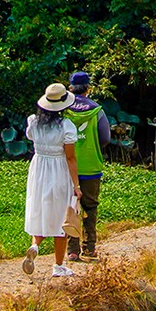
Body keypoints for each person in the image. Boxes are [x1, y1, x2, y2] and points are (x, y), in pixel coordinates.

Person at [22, 82, 82, 277]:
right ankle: (58, 266)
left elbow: (32, 139)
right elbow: (70, 158)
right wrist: (76, 185)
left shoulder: (33, 122)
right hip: (58, 169)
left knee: (41, 209)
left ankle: (35, 246)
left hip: (38, 168)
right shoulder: (66, 126)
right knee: (60, 217)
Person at [65, 71, 113, 261]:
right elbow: (105, 138)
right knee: (90, 207)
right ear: (88, 88)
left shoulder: (63, 109)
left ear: (70, 88)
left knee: (71, 206)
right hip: (91, 166)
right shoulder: (97, 110)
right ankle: (90, 247)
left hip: (68, 167)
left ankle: (73, 249)